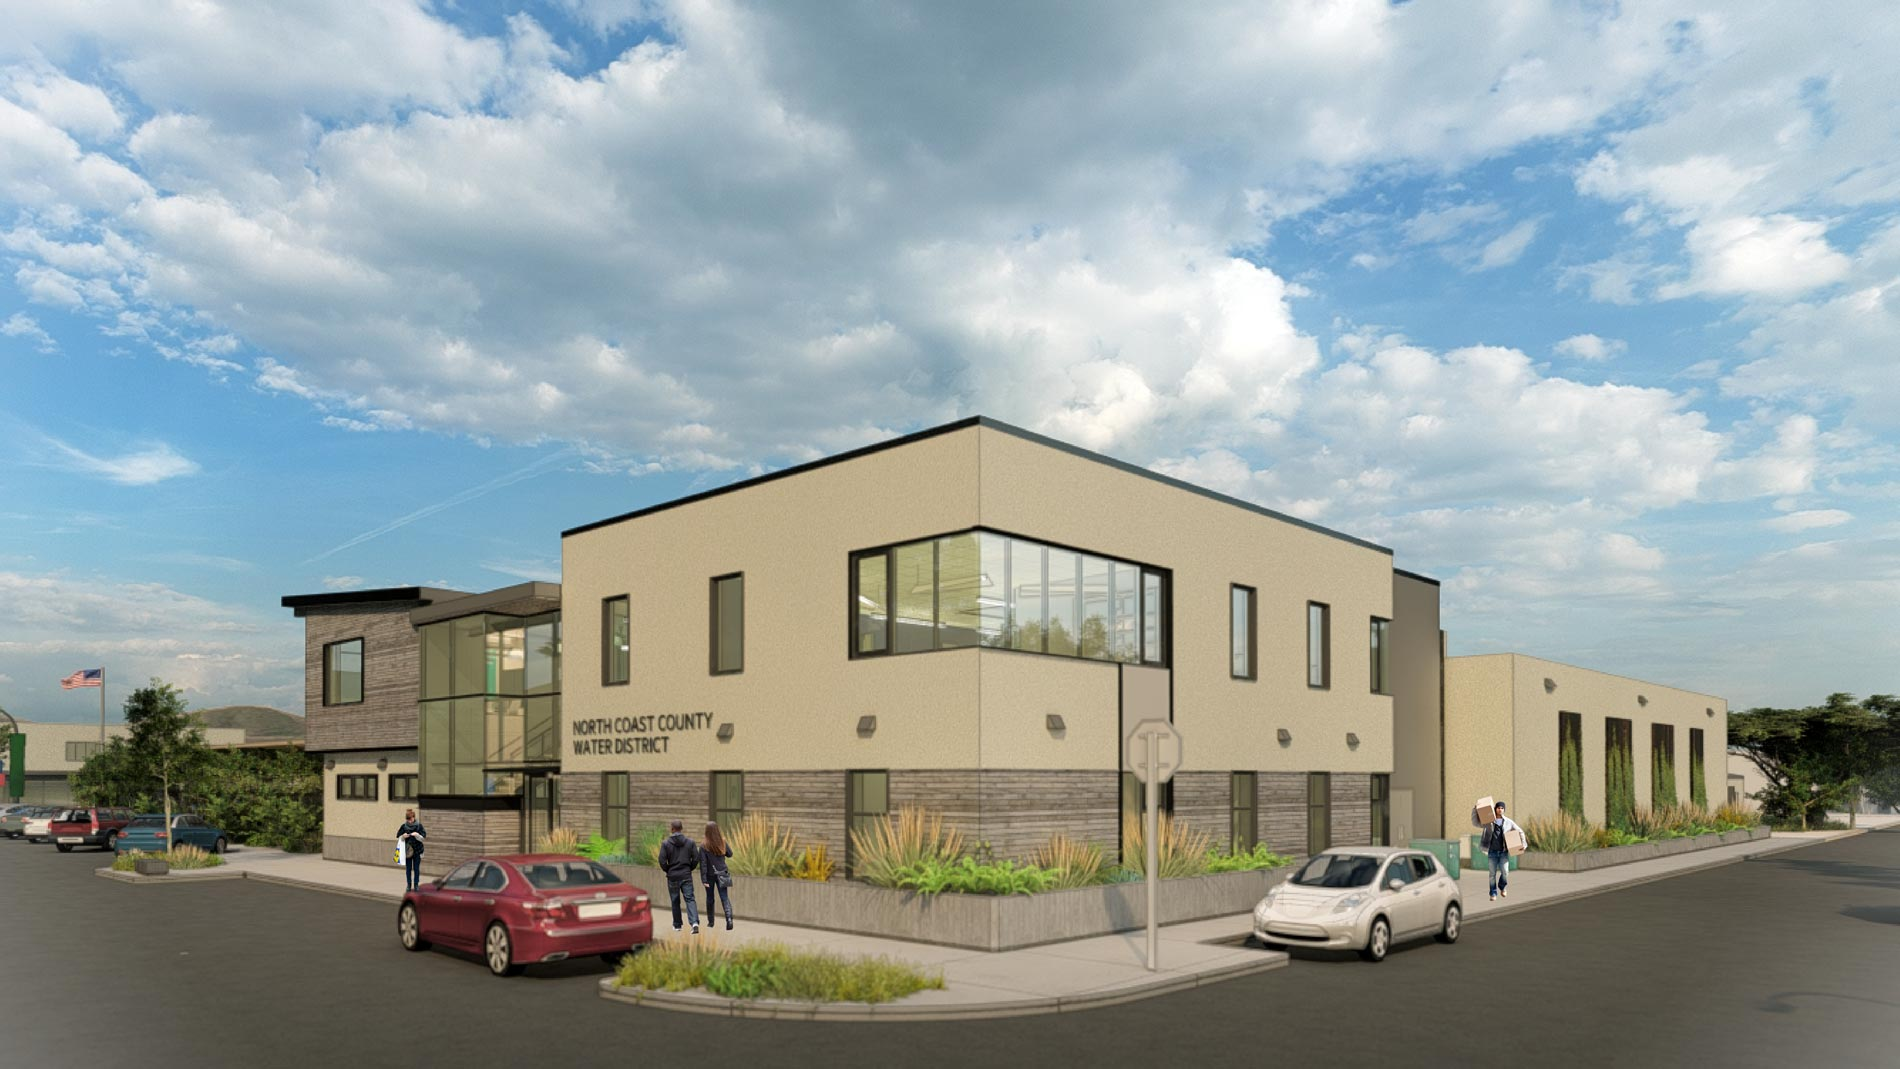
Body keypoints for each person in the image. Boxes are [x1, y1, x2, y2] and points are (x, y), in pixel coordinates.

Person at [657, 819, 701, 934]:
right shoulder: (690, 842)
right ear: (681, 829)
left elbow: (661, 861)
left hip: (673, 877)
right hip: (686, 875)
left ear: (672, 829)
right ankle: (694, 923)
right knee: (690, 899)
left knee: (675, 900)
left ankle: (677, 925)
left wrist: (668, 870)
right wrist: (689, 868)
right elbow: (696, 858)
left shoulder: (665, 843)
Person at [1483, 801, 1523, 901]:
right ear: (1495, 809)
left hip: (1503, 852)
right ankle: (1493, 893)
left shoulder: (1509, 822)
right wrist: (1475, 811)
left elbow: (1520, 831)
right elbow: (1476, 822)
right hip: (1492, 852)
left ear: (1504, 810)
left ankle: (1502, 886)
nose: (1500, 809)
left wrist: (1524, 845)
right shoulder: (1489, 821)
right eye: (1498, 808)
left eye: (1502, 808)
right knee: (1492, 874)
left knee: (1505, 872)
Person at [699, 820, 734, 931]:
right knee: (724, 897)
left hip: (709, 876)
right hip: (722, 874)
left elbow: (703, 864)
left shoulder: (704, 845)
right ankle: (729, 920)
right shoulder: (722, 841)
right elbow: (730, 854)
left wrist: (703, 879)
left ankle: (711, 922)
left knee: (710, 898)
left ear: (707, 832)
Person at [396, 809, 427, 892]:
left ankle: (416, 885)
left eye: (410, 819)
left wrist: (417, 835)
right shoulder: (404, 826)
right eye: (407, 819)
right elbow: (398, 836)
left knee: (416, 869)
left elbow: (423, 838)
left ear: (414, 817)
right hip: (408, 851)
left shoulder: (419, 826)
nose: (409, 821)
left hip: (417, 851)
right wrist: (402, 836)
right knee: (408, 869)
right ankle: (409, 885)